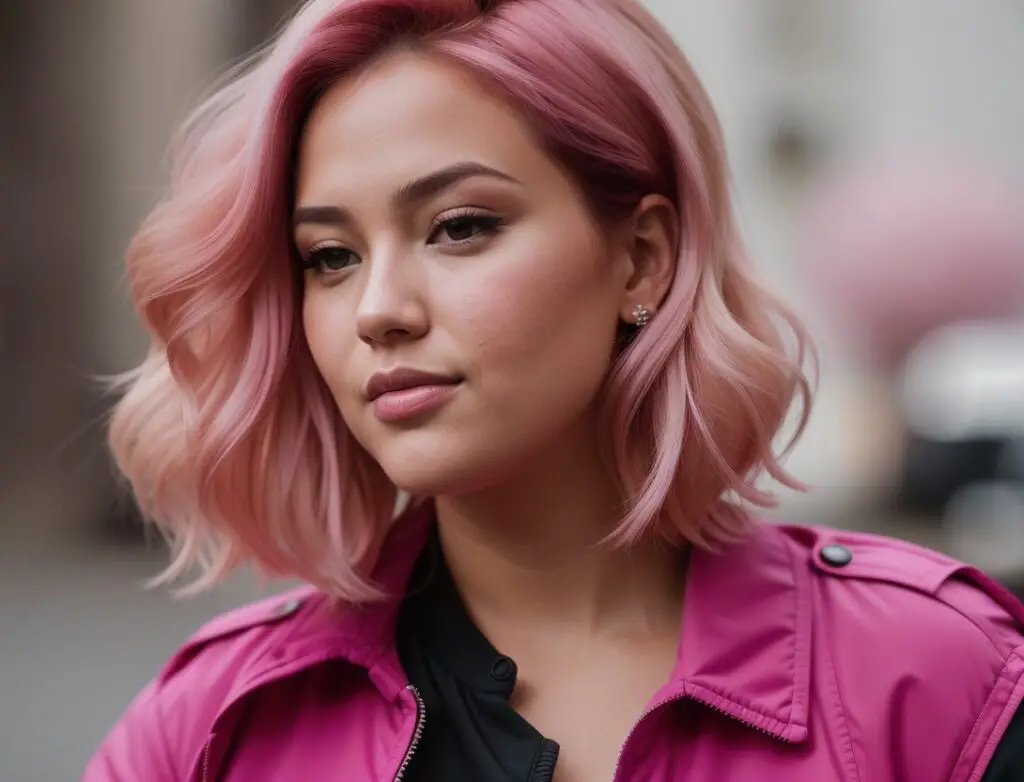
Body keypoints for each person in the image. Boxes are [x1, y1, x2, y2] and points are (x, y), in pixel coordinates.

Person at [84, 0, 1024, 780]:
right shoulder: (212, 729)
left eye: (458, 227)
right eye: (329, 256)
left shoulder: (939, 678)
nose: (378, 310)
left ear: (642, 260)